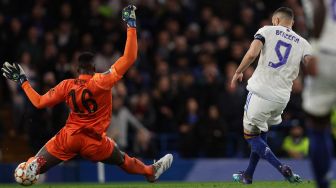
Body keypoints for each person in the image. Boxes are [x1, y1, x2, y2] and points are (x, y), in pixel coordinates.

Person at [1, 5, 172, 184]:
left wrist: (23, 82)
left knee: (39, 160)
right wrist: (131, 24)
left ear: (77, 70)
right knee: (122, 159)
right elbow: (130, 57)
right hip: (95, 143)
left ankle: (32, 166)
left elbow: (38, 102)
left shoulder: (67, 85)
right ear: (94, 68)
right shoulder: (102, 80)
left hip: (70, 137)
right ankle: (149, 171)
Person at [230, 7, 315, 184]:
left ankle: (280, 167)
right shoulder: (303, 43)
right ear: (292, 23)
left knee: (250, 136)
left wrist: (238, 71)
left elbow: (252, 53)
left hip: (261, 92)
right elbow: (311, 68)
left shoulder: (266, 30)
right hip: (282, 98)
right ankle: (248, 175)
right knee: (261, 132)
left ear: (275, 20)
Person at [302, 0, 336, 187]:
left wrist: (313, 49)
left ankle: (323, 183)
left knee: (318, 123)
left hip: (328, 53)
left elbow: (319, 6)